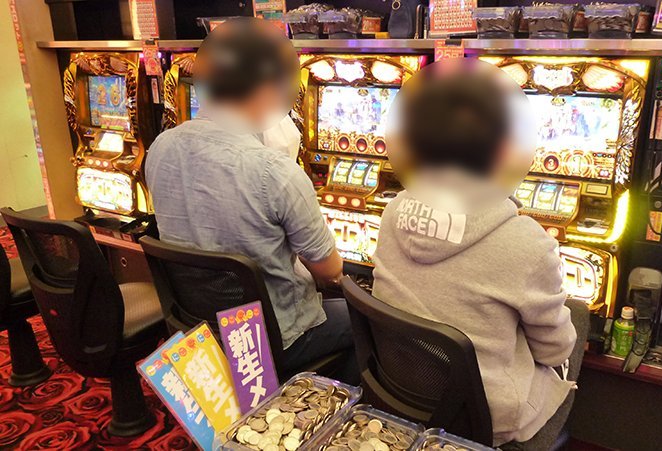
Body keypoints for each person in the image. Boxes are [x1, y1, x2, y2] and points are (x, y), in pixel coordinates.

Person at [372, 60, 578, 447]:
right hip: (484, 415)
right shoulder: (528, 242)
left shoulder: (393, 209)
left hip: (399, 387)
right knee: (577, 324)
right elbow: (554, 349)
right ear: (506, 151)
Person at [145, 18, 356, 382]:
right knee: (372, 322)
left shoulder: (161, 147)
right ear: (267, 89)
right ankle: (322, 407)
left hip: (200, 326)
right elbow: (330, 271)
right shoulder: (274, 171)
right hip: (276, 337)